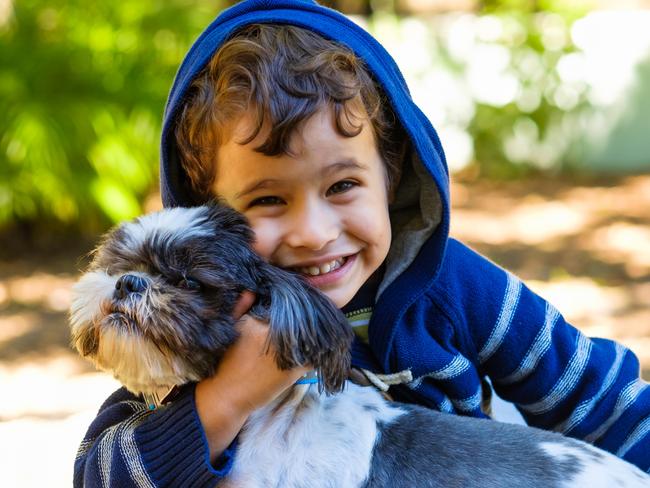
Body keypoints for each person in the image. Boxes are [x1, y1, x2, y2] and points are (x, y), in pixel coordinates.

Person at [74, 1, 650, 486]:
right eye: (268, 200)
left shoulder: (455, 288)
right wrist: (227, 398)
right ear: (210, 218)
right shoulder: (199, 326)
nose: (314, 232)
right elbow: (99, 475)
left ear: (392, 177)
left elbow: (606, 405)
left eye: (343, 185)